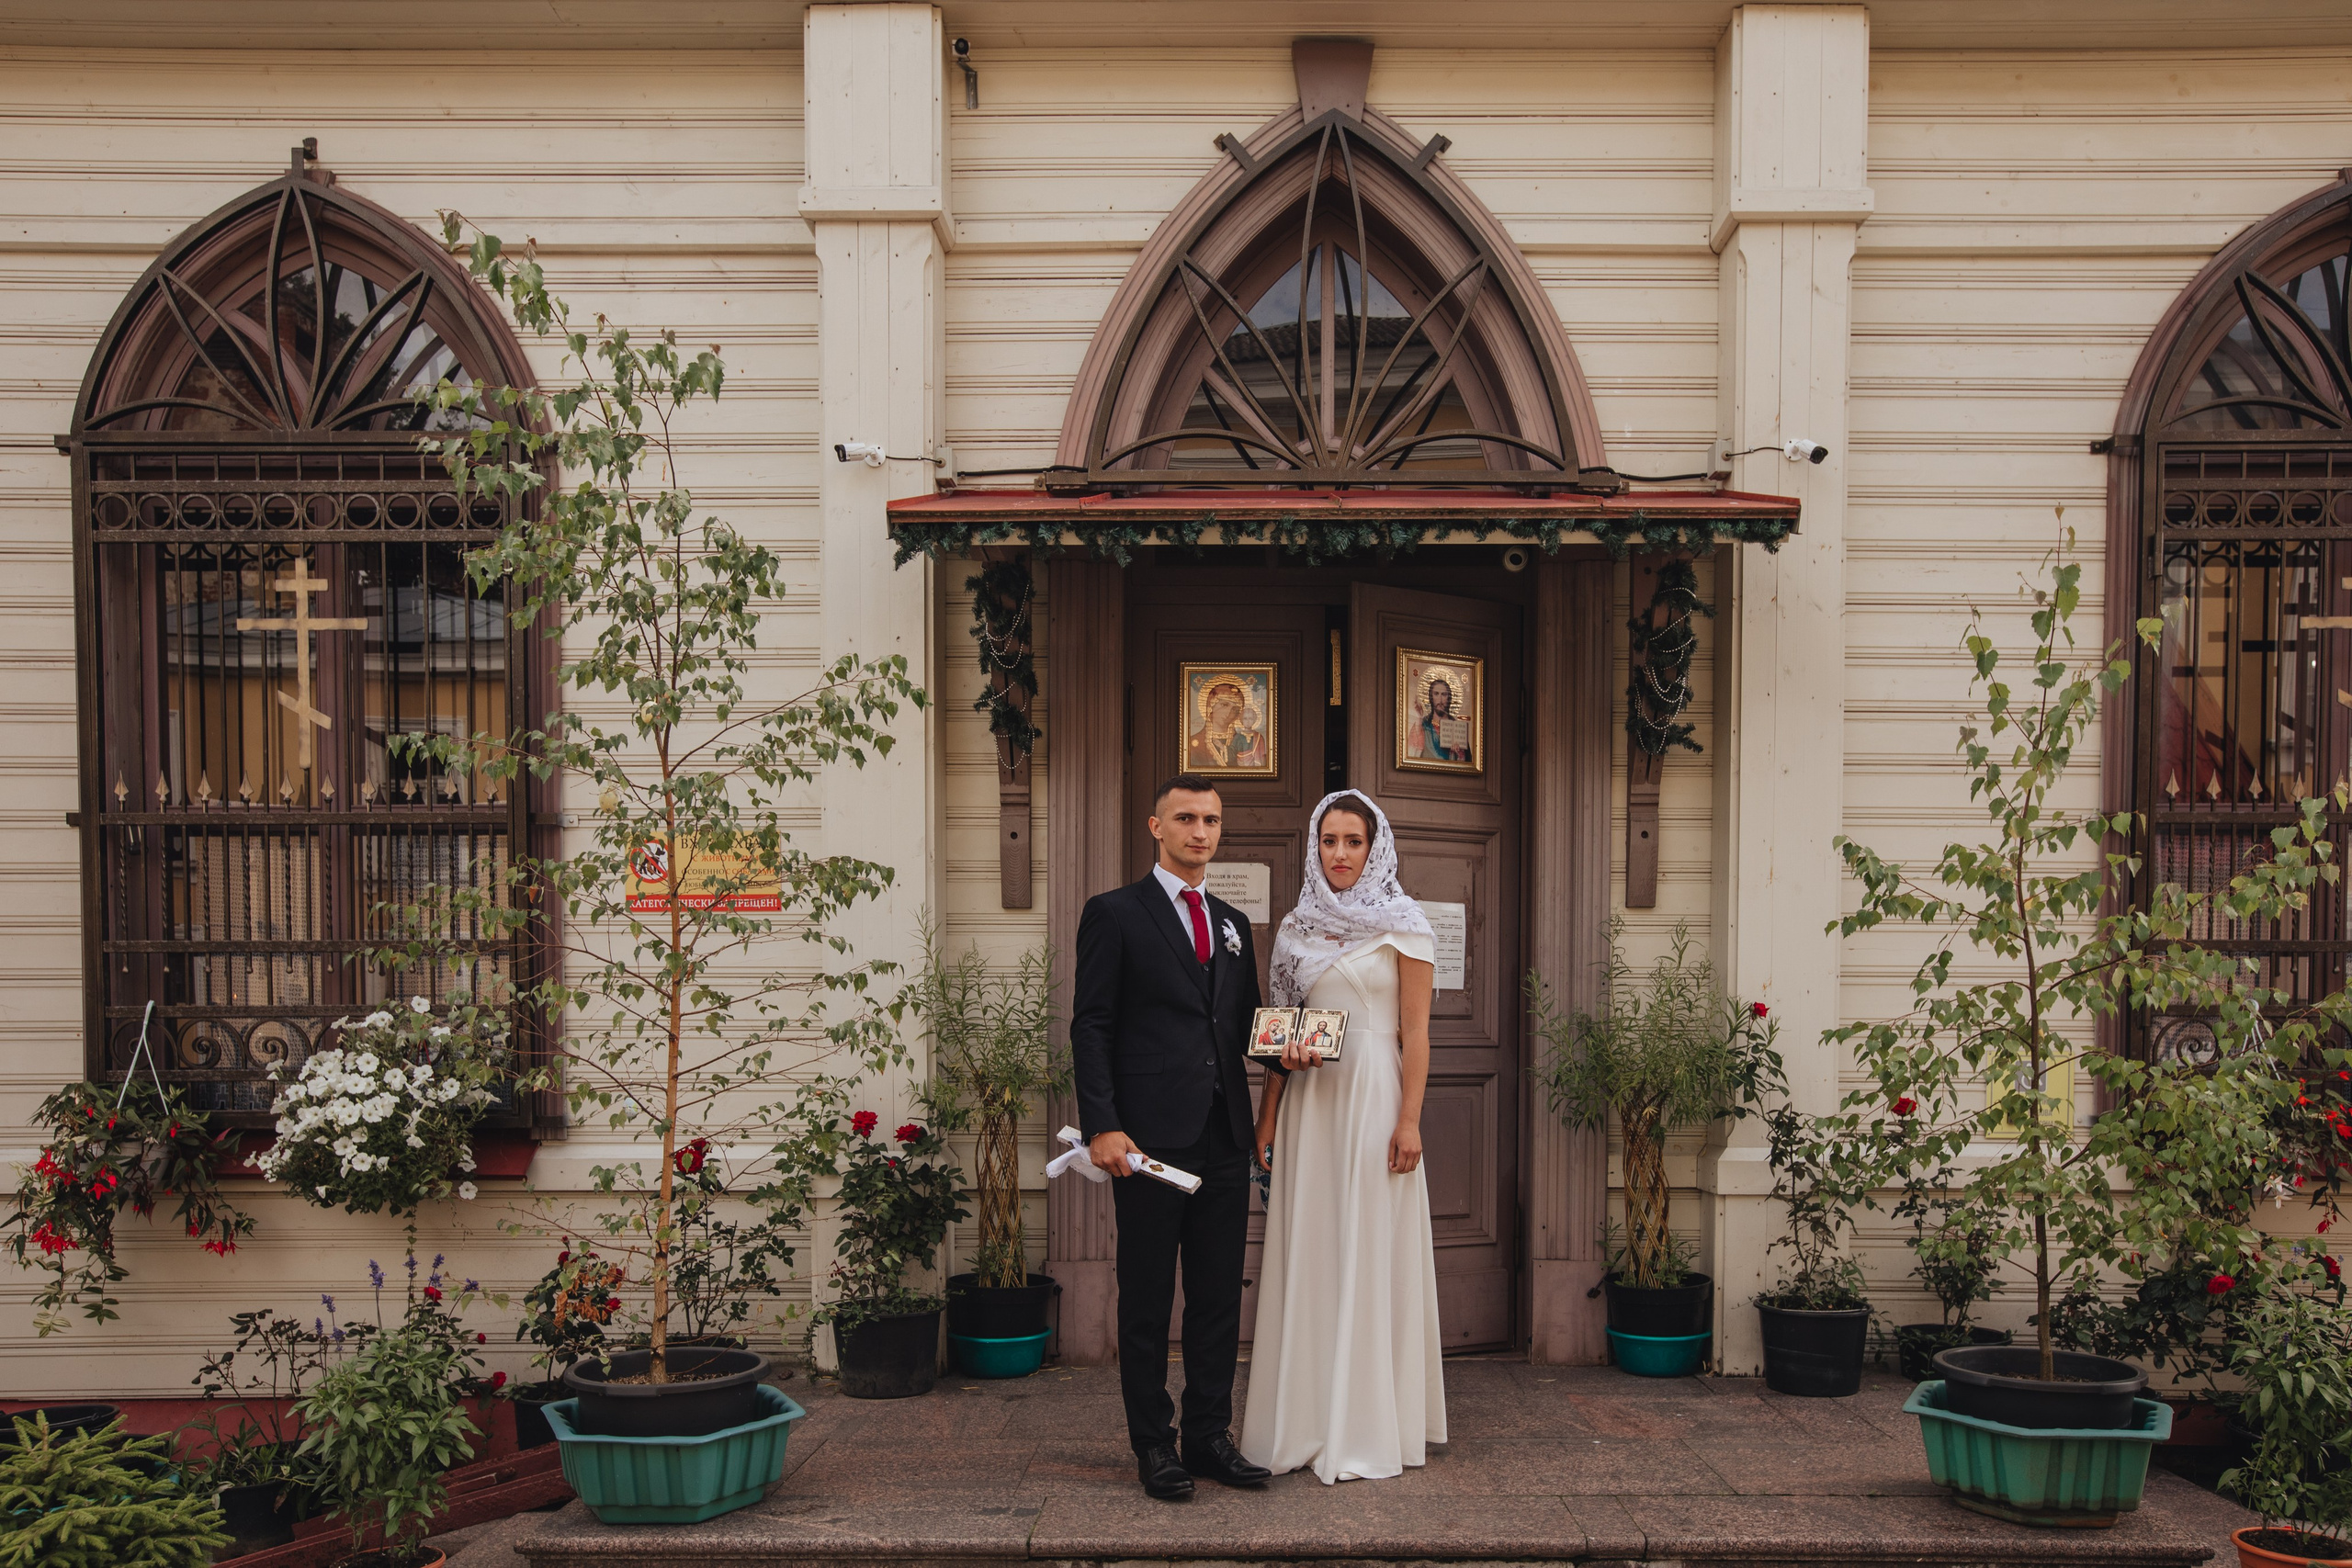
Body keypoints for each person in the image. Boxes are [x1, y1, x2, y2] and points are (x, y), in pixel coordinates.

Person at [1071, 773, 1273, 1502]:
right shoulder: (1114, 913)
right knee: (1150, 1298)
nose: (1201, 831)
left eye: (1212, 819)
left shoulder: (1232, 923)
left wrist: (1296, 1042)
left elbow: (1246, 1023)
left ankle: (1209, 1435)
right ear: (1155, 827)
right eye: (1186, 817)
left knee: (1219, 1295)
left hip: (1223, 1135)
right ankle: (1153, 1444)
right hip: (1147, 1141)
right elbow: (1090, 1024)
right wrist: (1102, 1122)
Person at [1242, 790, 1446, 1483]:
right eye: (1328, 840)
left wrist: (1410, 1118)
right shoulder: (1297, 927)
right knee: (1316, 1245)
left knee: (1367, 1243)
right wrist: (1267, 1116)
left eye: (1352, 840)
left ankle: (1366, 1422)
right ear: (1314, 846)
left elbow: (1414, 1032)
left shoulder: (1406, 925)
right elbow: (1279, 1030)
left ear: (1375, 845)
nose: (1339, 853)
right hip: (1310, 1105)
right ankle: (1303, 1417)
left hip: (1373, 1098)